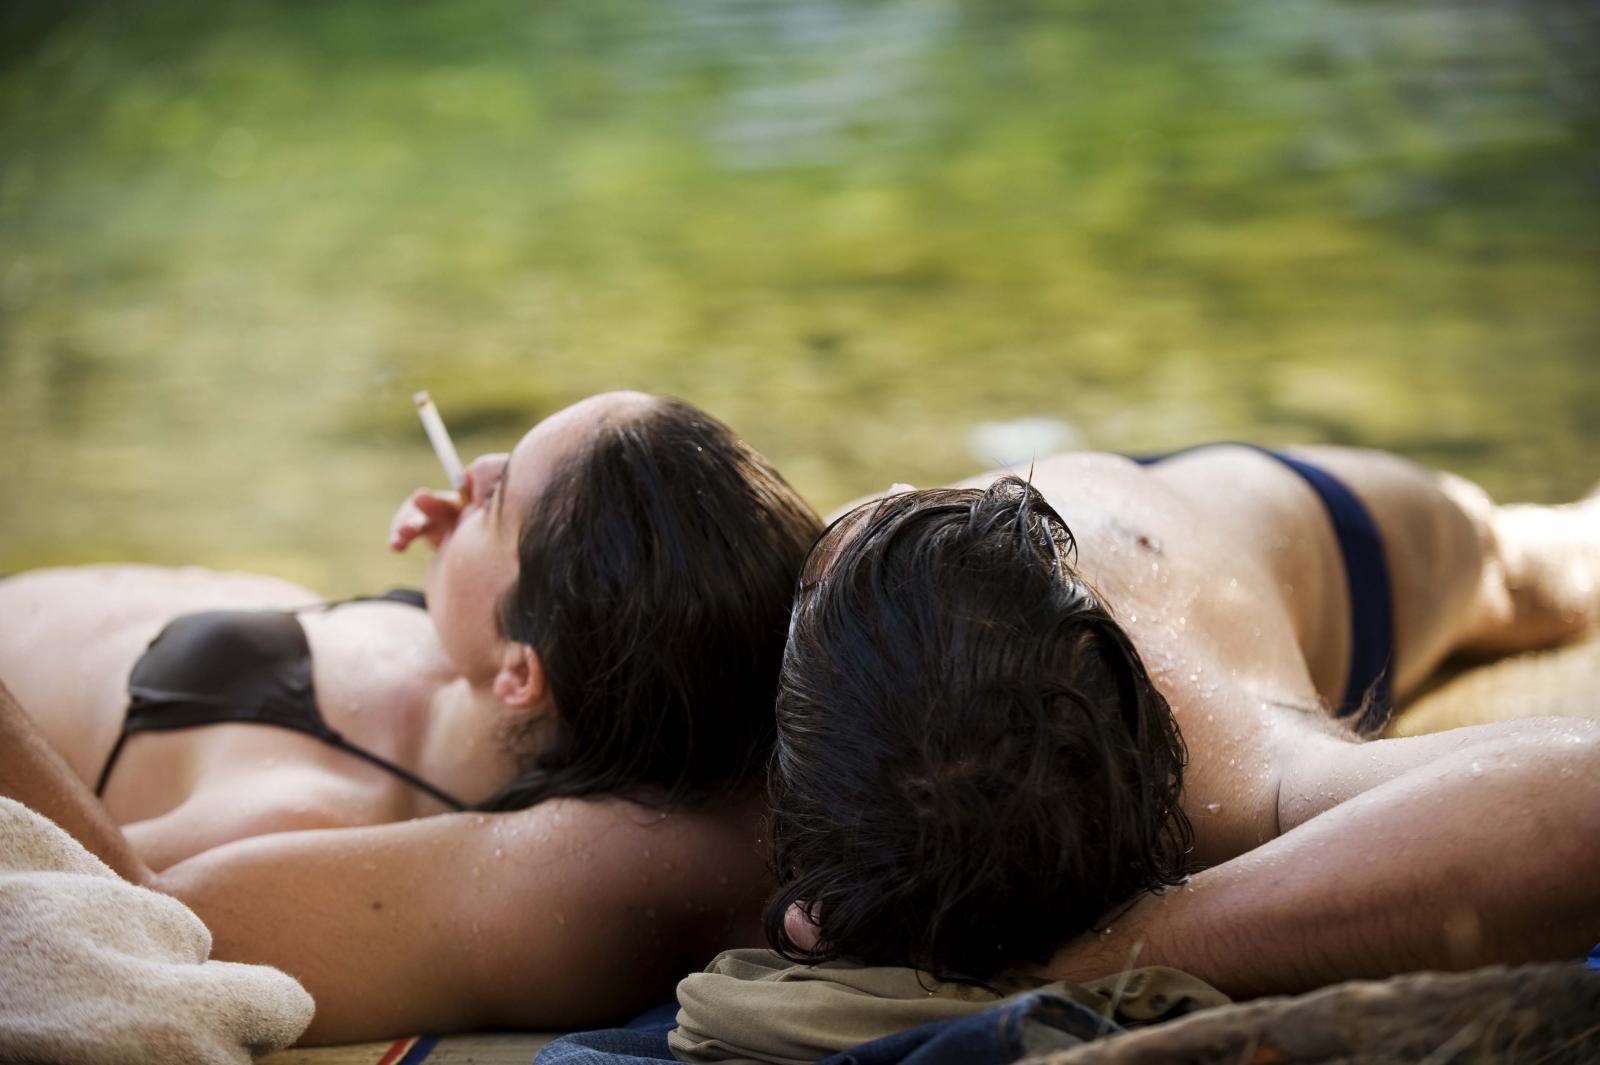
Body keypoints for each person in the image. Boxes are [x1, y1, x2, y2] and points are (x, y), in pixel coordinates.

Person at [0, 391, 822, 1042]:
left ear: (521, 672)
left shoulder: (301, 807)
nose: (474, 469)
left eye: (496, 496)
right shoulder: (543, 660)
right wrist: (472, 554)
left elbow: (108, 907)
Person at [769, 444, 1600, 995]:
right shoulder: (1238, 773)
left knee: (1545, 563)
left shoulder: (1239, 767)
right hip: (1248, 528)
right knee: (1536, 568)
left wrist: (1108, 960)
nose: (892, 489)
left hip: (1238, 525)